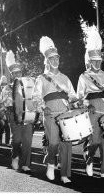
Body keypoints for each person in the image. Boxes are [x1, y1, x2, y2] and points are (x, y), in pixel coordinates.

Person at [77, 26, 104, 178]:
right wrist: (86, 105)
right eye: (94, 61)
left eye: (99, 61)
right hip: (92, 110)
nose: (97, 64)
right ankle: (89, 160)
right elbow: (79, 96)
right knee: (95, 139)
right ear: (89, 61)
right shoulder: (83, 77)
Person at [32, 36, 77, 184]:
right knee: (53, 143)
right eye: (52, 59)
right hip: (50, 113)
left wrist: (76, 103)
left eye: (57, 58)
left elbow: (72, 95)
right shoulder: (41, 78)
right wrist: (43, 108)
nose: (55, 61)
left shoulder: (65, 78)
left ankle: (65, 174)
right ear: (47, 61)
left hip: (64, 112)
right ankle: (51, 164)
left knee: (66, 144)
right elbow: (36, 97)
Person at [0, 50, 34, 172]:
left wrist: (37, 114)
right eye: (15, 73)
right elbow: (1, 104)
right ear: (12, 75)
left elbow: (34, 99)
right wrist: (3, 116)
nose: (17, 75)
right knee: (17, 140)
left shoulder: (29, 86)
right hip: (13, 116)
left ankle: (25, 164)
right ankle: (15, 157)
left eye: (19, 72)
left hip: (27, 116)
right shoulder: (7, 88)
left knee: (27, 141)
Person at [0, 75, 10, 146]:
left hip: (7, 114)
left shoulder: (8, 94)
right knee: (0, 129)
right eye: (2, 84)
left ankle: (7, 142)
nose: (3, 86)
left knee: (7, 129)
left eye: (4, 84)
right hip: (0, 114)